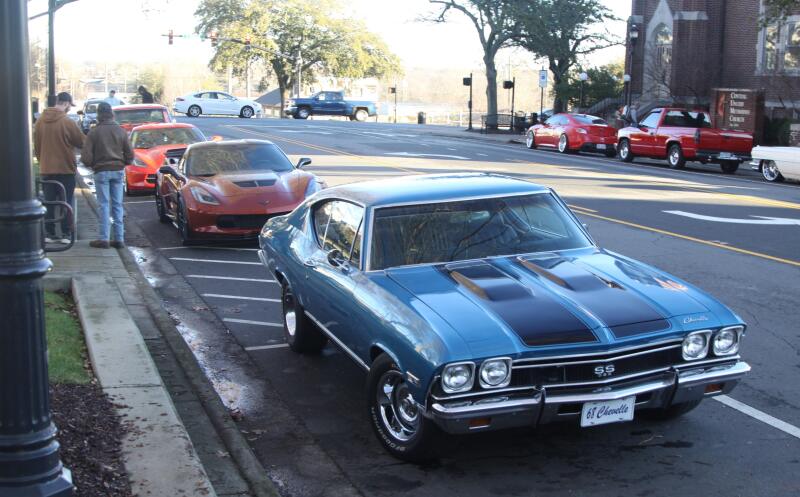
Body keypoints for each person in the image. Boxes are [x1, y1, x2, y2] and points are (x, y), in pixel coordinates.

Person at [33, 91, 85, 244]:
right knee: (66, 201)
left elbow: (37, 146)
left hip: (46, 168)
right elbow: (81, 142)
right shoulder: (68, 122)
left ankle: (49, 233)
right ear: (67, 103)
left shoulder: (40, 121)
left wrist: (42, 160)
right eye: (70, 105)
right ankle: (65, 234)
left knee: (48, 202)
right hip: (65, 168)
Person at [81, 102, 133, 249]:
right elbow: (130, 154)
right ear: (111, 114)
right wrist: (124, 162)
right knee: (117, 204)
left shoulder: (94, 132)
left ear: (99, 115)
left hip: (101, 171)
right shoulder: (120, 131)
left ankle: (104, 238)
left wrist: (92, 164)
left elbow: (86, 157)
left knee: (103, 205)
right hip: (117, 170)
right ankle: (119, 239)